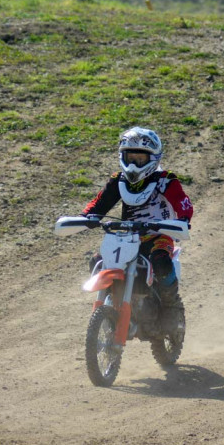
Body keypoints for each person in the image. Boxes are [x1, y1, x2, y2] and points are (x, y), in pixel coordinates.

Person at [81, 127, 194, 334]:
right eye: (130, 157)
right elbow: (99, 203)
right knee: (97, 260)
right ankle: (113, 301)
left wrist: (183, 219)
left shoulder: (165, 180)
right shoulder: (119, 180)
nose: (134, 164)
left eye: (140, 159)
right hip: (127, 236)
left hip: (159, 235)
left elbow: (183, 203)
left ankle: (171, 306)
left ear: (153, 158)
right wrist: (86, 217)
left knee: (161, 260)